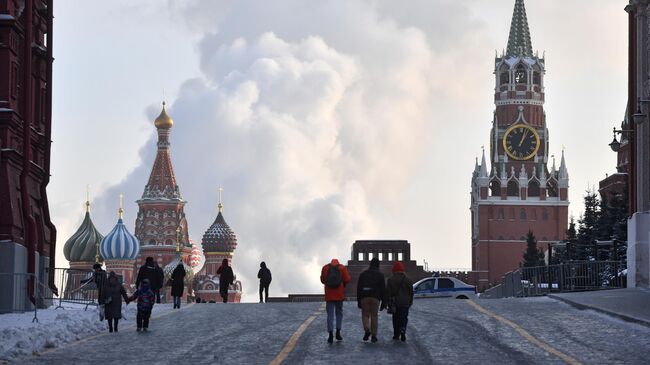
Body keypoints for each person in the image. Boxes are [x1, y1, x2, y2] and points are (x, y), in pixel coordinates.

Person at [320, 258, 351, 343]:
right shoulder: (342, 268)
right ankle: (338, 331)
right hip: (339, 295)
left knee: (330, 315)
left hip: (329, 295)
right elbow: (347, 279)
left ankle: (330, 334)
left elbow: (322, 280)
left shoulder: (325, 268)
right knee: (339, 314)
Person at [356, 257, 385, 343]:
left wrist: (359, 300)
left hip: (364, 297)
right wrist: (384, 302)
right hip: (375, 298)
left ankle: (367, 330)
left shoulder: (363, 274)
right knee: (374, 316)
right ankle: (374, 336)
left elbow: (359, 288)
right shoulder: (380, 275)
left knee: (365, 315)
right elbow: (383, 289)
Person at [385, 261, 413, 342]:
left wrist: (386, 302)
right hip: (405, 302)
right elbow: (411, 292)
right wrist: (410, 301)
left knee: (395, 318)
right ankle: (403, 329)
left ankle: (396, 334)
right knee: (404, 317)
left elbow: (388, 292)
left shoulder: (391, 280)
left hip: (395, 303)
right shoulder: (408, 280)